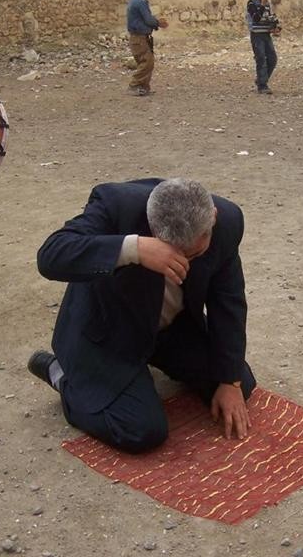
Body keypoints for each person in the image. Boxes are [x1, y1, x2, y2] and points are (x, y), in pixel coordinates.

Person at [30, 178, 257, 453]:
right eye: (172, 254)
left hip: (171, 327)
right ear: (152, 228)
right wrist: (134, 249)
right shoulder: (116, 204)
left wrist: (230, 382)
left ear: (213, 218)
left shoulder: (227, 221)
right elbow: (51, 255)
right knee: (140, 430)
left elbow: (229, 302)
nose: (184, 262)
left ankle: (156, 365)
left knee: (239, 382)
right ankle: (61, 376)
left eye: (194, 254)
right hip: (110, 329)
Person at [126, 0, 168, 97]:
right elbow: (148, 19)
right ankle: (134, 85)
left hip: (137, 38)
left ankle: (143, 87)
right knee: (147, 62)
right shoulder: (140, 1)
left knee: (144, 62)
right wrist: (158, 23)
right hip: (139, 38)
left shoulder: (132, 0)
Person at [246, 0, 280, 95]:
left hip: (266, 35)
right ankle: (262, 85)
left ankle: (261, 79)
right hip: (256, 36)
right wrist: (261, 5)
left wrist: (275, 27)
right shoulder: (251, 3)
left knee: (272, 59)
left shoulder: (267, 4)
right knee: (261, 59)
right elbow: (256, 18)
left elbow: (269, 18)